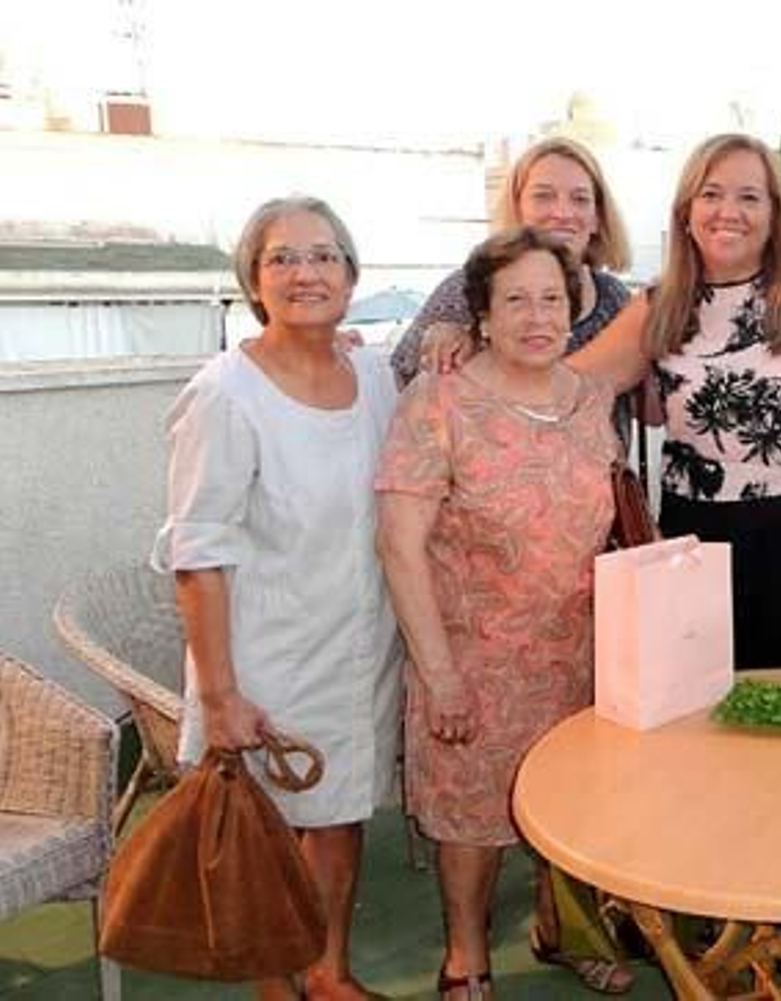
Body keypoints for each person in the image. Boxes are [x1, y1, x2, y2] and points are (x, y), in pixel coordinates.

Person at [152, 196, 402, 1001]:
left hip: (360, 637)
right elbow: (197, 551)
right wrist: (220, 692)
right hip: (267, 651)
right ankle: (274, 984)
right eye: (284, 258)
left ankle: (328, 970)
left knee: (341, 807)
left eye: (325, 256)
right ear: (254, 281)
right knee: (268, 829)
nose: (306, 273)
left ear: (352, 276)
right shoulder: (226, 392)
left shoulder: (370, 373)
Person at [376, 228, 631, 999]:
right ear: (480, 315)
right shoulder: (439, 401)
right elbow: (398, 545)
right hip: (474, 655)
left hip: (580, 652)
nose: (536, 315)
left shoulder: (591, 400)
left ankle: (564, 929)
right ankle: (465, 956)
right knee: (470, 819)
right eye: (514, 299)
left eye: (551, 298)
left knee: (577, 805)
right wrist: (440, 674)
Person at [571, 132, 781, 669]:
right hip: (696, 539)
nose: (727, 211)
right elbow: (567, 386)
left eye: (749, 197)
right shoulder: (659, 307)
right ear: (687, 210)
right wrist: (470, 338)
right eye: (711, 194)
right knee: (704, 709)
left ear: (774, 212)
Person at [389, 136, 632, 394]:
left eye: (580, 199)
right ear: (517, 209)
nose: (562, 212)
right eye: (543, 196)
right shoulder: (469, 286)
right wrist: (442, 343)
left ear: (597, 217)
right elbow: (403, 378)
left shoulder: (615, 299)